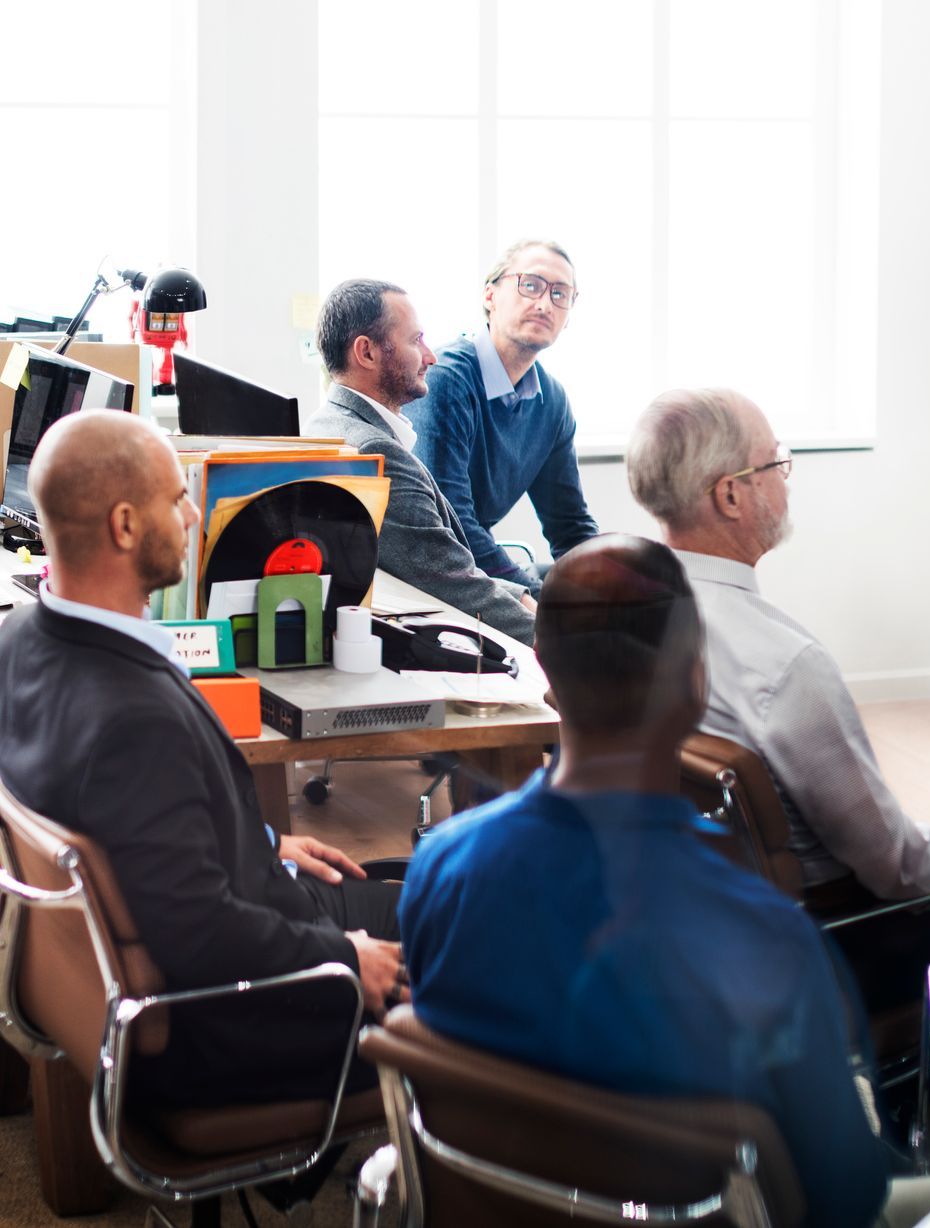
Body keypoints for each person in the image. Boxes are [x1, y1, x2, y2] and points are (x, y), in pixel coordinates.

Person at [398, 537, 930, 1228]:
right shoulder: (763, 937)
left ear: (543, 666)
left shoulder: (441, 868)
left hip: (510, 1204)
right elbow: (846, 1196)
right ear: (695, 684)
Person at [0, 410, 405, 1108]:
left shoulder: (19, 640)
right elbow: (201, 934)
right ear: (125, 526)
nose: (193, 516)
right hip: (237, 1018)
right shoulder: (134, 720)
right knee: (476, 933)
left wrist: (263, 842)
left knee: (432, 886)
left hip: (224, 922)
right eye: (176, 499)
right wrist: (346, 958)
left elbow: (136, 833)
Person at [625, 387, 930, 900]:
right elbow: (894, 866)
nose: (786, 480)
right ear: (730, 496)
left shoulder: (619, 615)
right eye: (775, 462)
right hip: (824, 925)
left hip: (678, 901)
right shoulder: (786, 667)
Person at [309, 278, 536, 644]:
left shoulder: (327, 425)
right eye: (416, 340)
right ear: (366, 352)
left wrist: (521, 595)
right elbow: (450, 583)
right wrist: (560, 644)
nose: (430, 356)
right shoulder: (375, 452)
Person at [405, 240, 597, 596]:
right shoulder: (446, 380)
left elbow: (569, 526)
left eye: (560, 294)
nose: (545, 304)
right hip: (421, 576)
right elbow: (452, 525)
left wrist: (613, 586)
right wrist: (537, 597)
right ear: (490, 296)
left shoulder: (552, 401)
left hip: (471, 570)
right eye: (531, 285)